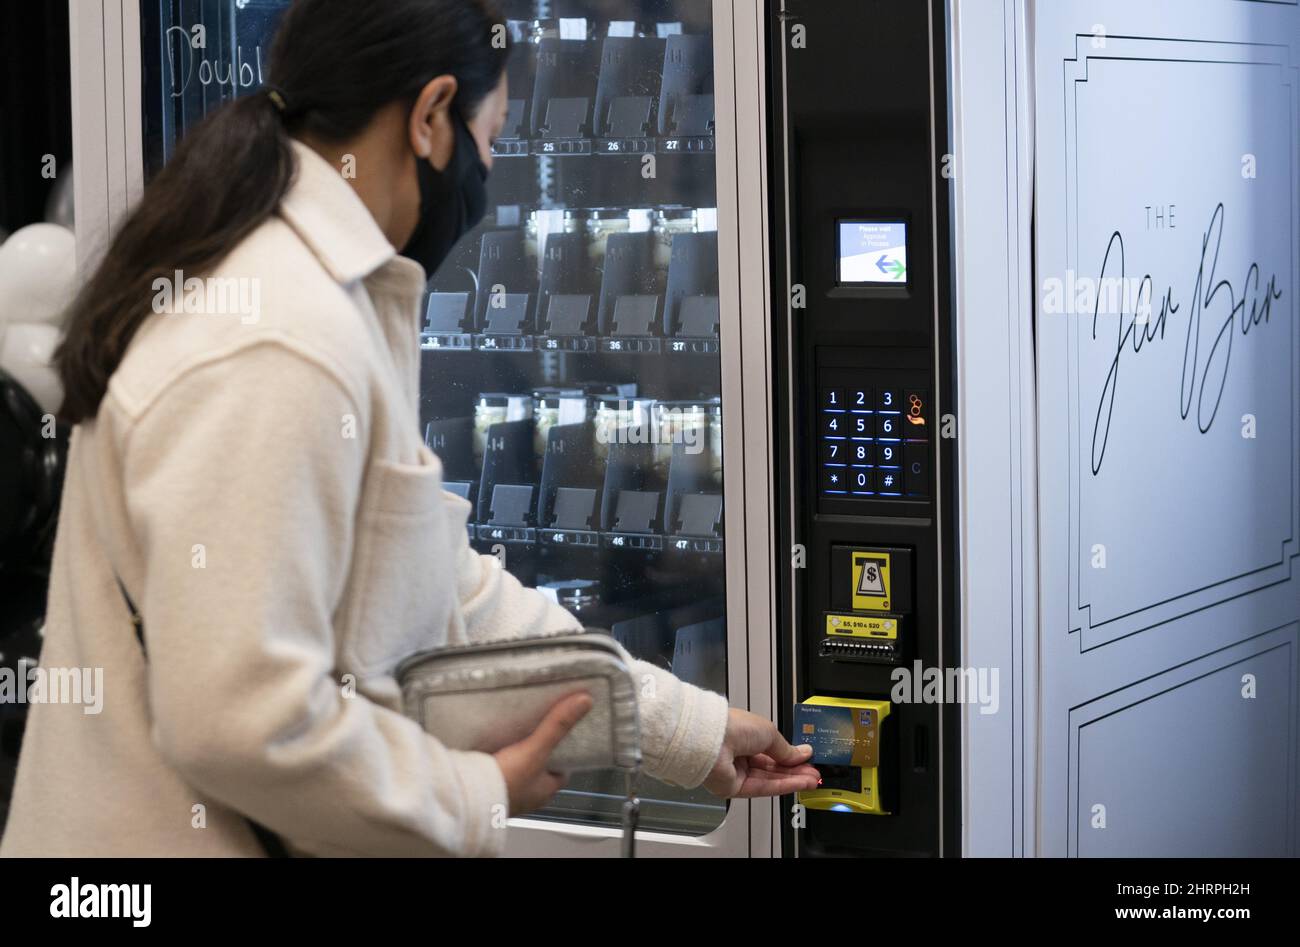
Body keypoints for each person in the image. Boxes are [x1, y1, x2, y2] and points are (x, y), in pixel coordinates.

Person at [0, 0, 817, 857]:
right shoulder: (277, 336)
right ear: (430, 119)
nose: (491, 168)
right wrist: (476, 794)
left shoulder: (314, 297)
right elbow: (239, 720)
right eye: (492, 137)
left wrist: (690, 728)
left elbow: (445, 586)